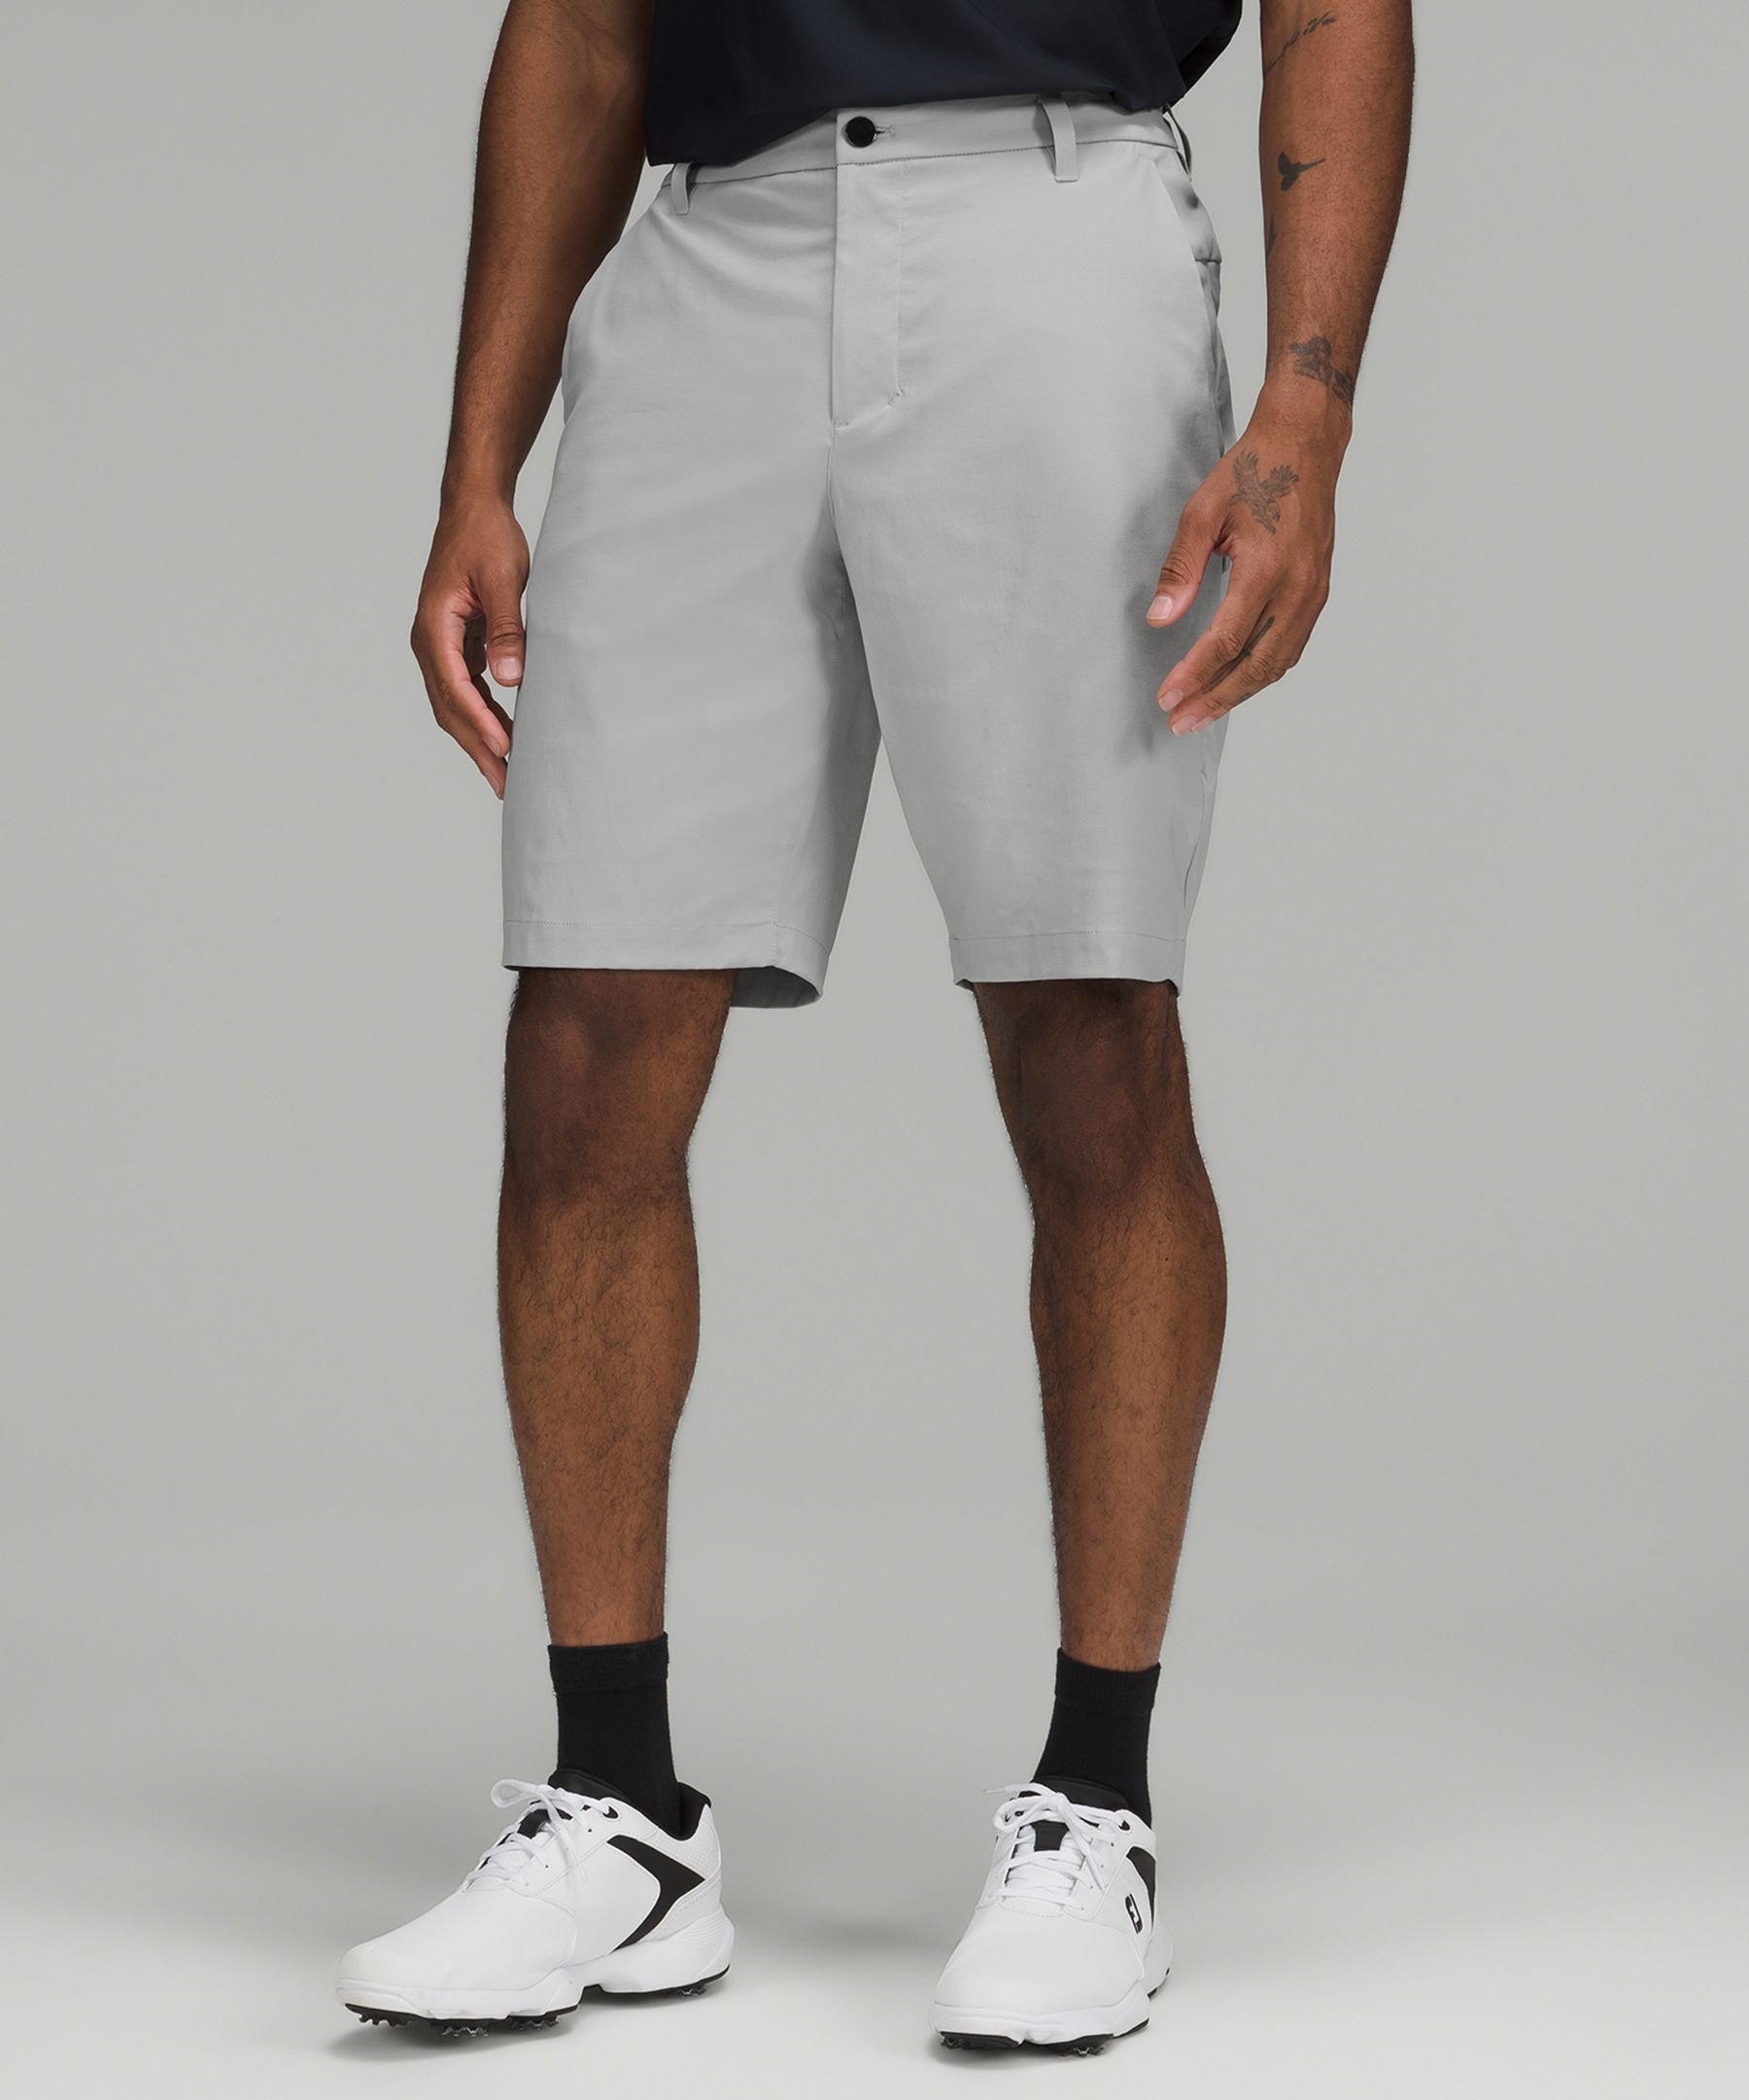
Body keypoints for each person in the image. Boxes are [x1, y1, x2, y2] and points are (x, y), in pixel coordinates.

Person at [339, 0, 1412, 2053]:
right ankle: (620, 1809)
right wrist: (479, 459)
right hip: (712, 251)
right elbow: (581, 26)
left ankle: (1097, 1802)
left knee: (1087, 1022)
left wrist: (1308, 405)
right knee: (586, 1028)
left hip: (1059, 225)